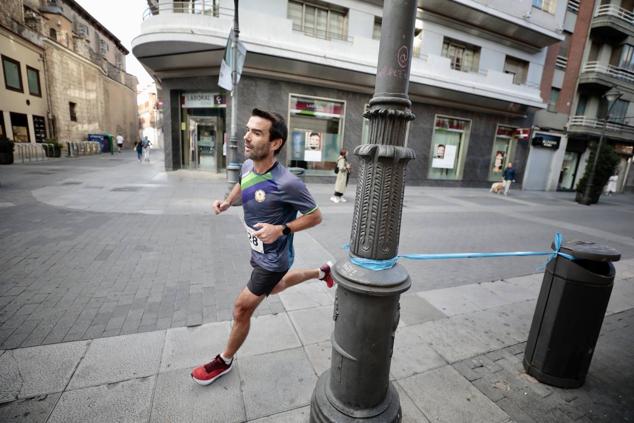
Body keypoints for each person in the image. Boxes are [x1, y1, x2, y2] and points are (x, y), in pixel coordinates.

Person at [191, 108, 334, 386]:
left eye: (256, 133)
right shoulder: (247, 166)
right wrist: (226, 202)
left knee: (242, 308)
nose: (246, 137)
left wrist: (282, 228)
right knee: (277, 288)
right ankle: (322, 272)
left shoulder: (288, 182)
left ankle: (224, 360)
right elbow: (242, 184)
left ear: (275, 142)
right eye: (248, 130)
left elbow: (316, 216)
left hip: (274, 259)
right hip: (258, 250)